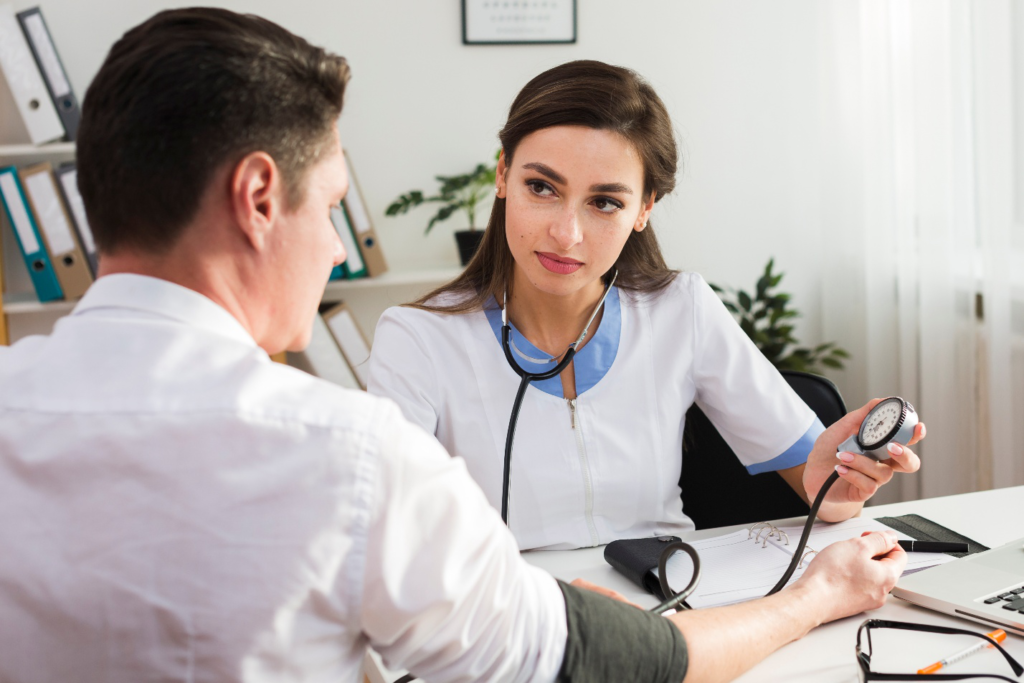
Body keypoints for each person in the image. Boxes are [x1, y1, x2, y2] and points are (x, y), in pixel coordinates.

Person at [0, 11, 907, 683]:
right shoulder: (353, 454)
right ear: (259, 198)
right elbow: (587, 657)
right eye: (332, 207)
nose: (330, 248)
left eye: (604, 201)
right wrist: (814, 598)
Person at [367, 60, 926, 551]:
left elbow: (824, 494)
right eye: (542, 188)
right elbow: (387, 538)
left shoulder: (680, 309)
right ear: (502, 175)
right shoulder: (417, 339)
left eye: (604, 202)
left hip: (667, 604)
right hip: (511, 624)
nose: (566, 233)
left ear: (643, 209)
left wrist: (838, 486)